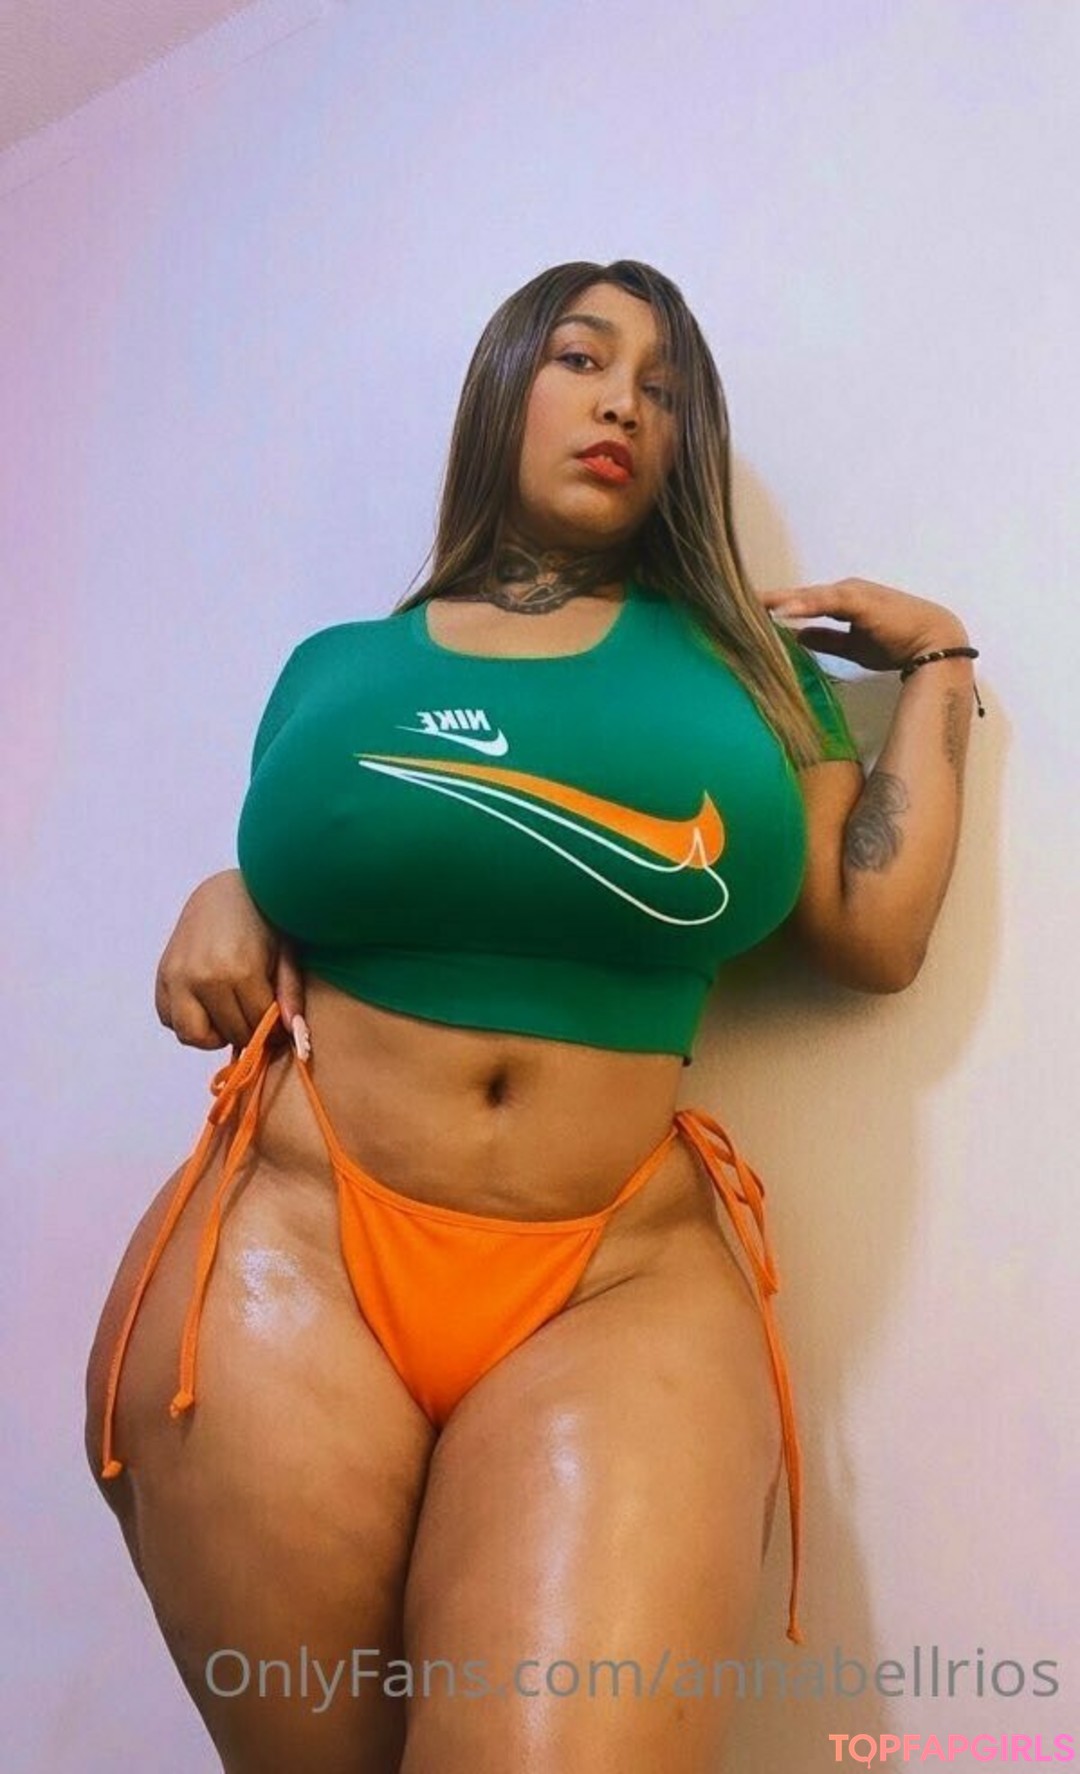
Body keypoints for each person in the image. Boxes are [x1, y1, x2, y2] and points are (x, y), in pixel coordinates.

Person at [84, 258, 978, 1774]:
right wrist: (224, 887)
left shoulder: (748, 674)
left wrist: (942, 663)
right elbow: (319, 864)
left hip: (616, 1277)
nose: (625, 401)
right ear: (506, 385)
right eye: (582, 358)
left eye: (665, 389)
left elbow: (871, 933)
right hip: (296, 1244)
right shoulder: (339, 666)